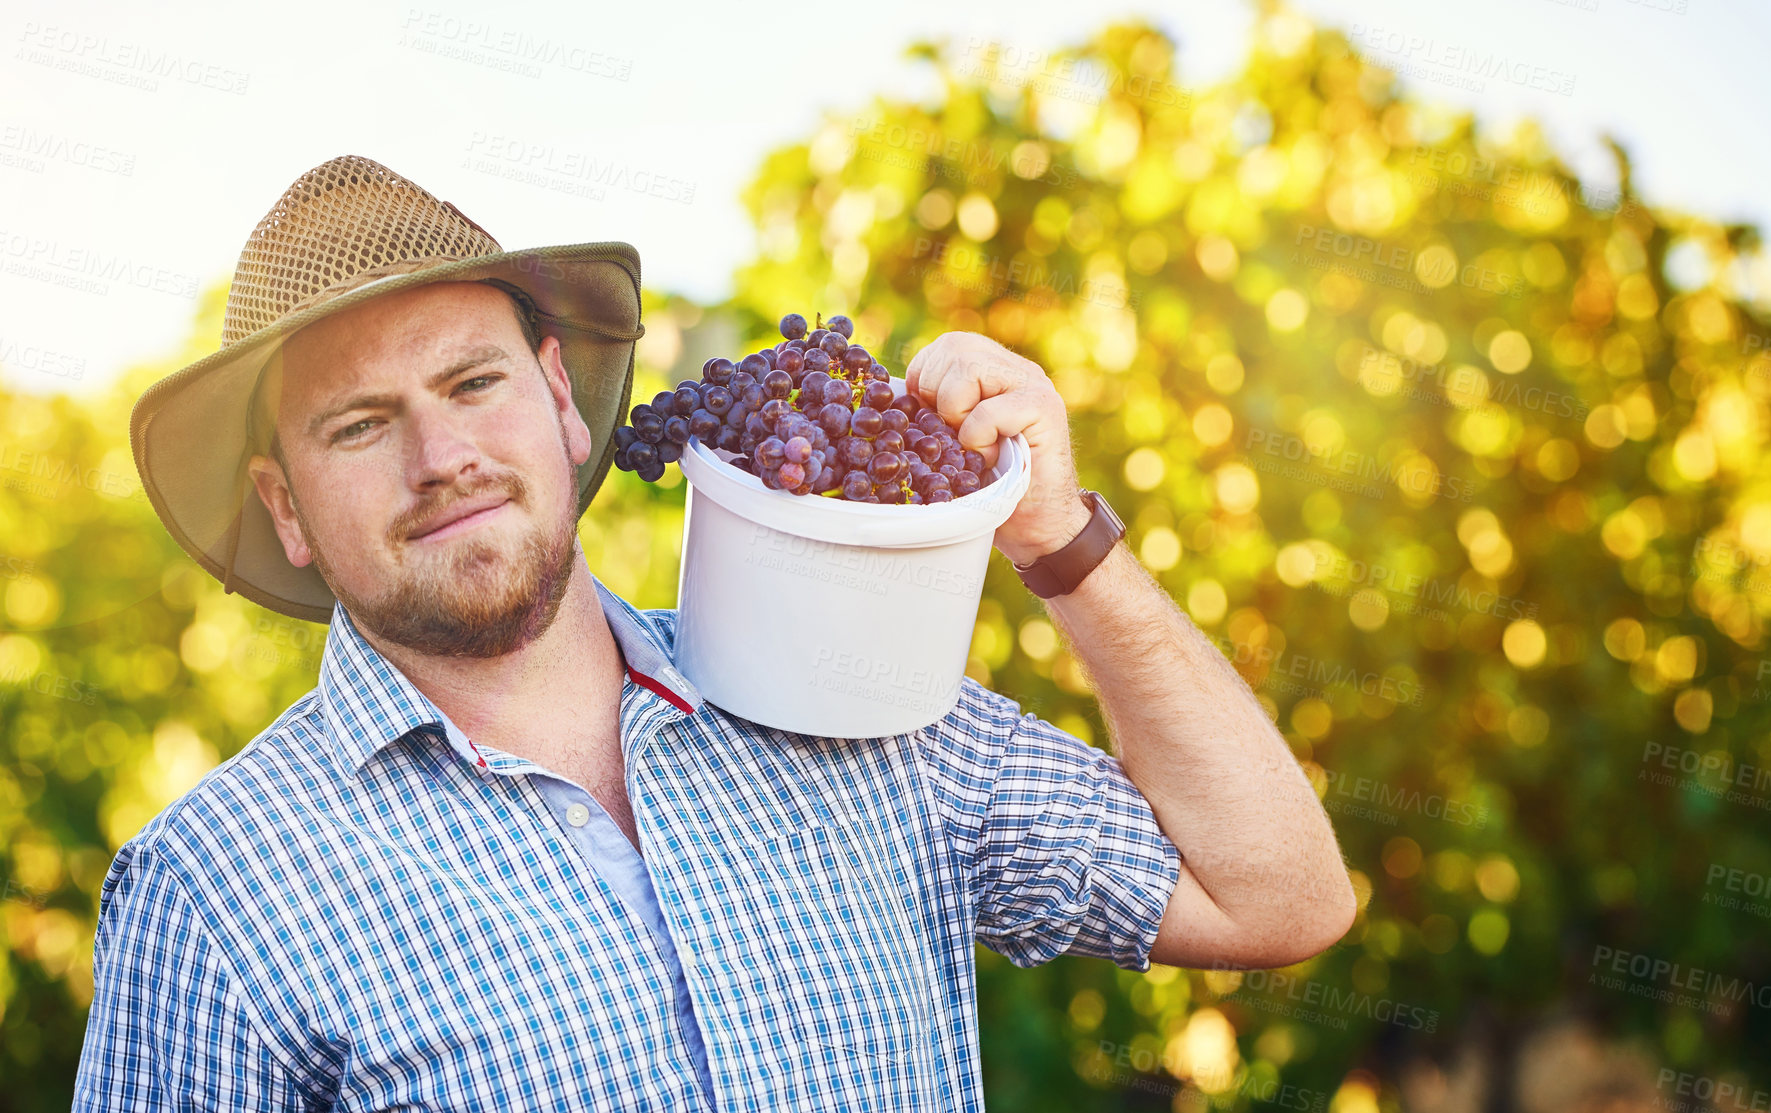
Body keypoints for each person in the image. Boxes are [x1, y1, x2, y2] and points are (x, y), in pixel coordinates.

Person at [75, 155, 1355, 1111]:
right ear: (283, 507)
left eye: (474, 383)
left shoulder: (862, 706)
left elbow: (1278, 897)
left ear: (565, 408)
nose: (443, 456)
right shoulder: (219, 894)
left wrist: (1058, 538)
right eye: (359, 425)